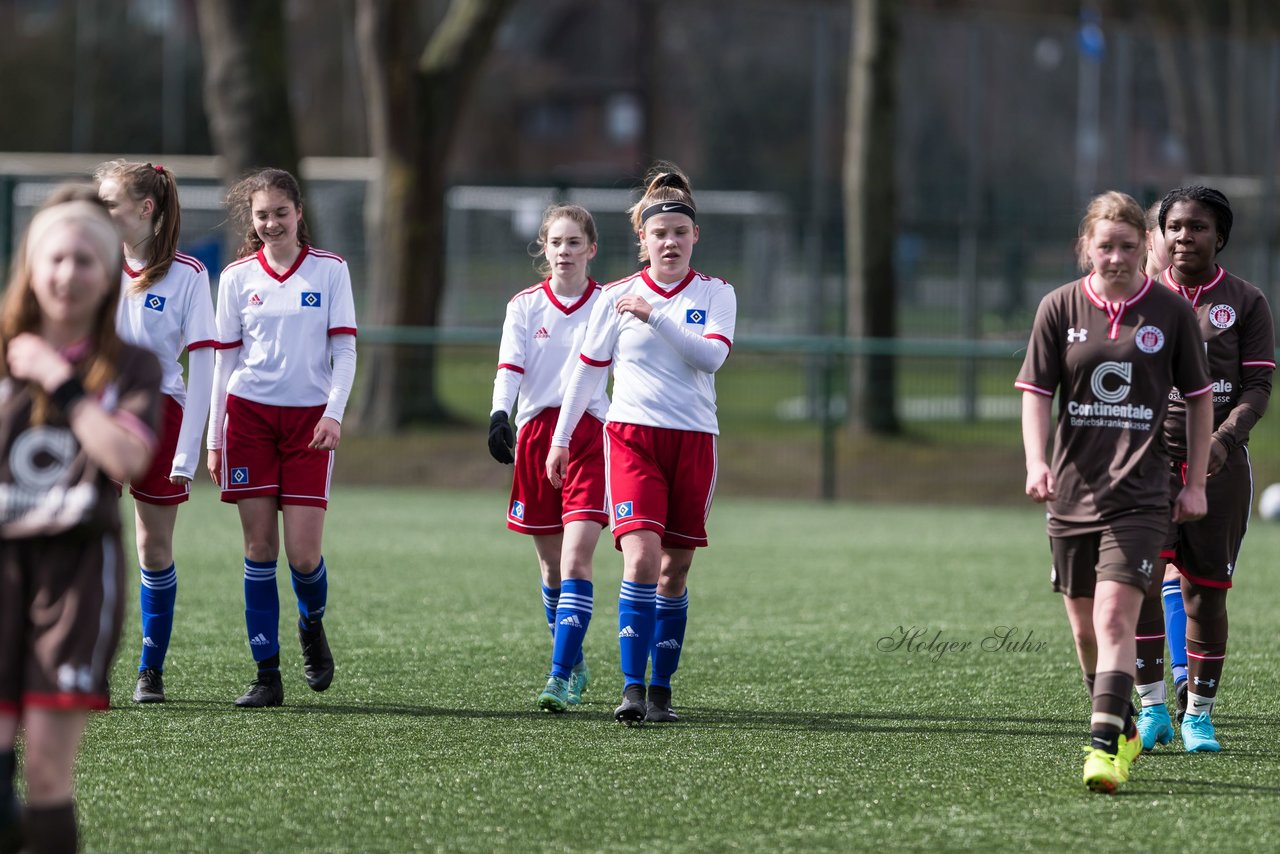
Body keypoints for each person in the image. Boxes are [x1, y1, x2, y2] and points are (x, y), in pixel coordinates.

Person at [1016, 190, 1213, 793]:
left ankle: (1103, 748)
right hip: (1072, 494)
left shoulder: (1171, 314)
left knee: (1113, 617)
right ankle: (1122, 721)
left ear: (1144, 247)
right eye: (1106, 245)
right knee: (1082, 631)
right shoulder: (1058, 306)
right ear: (1087, 248)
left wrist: (1196, 482)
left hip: (1143, 495)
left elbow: (1201, 399)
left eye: (1130, 245)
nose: (1118, 256)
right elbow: (1036, 392)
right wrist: (1036, 462)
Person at [0, 187, 161, 852]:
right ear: (33, 268)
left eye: (86, 261)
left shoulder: (131, 364)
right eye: (57, 258)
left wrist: (59, 382)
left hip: (75, 571)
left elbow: (127, 457)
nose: (69, 274)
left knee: (44, 771)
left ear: (108, 275)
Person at [546, 163, 737, 724]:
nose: (670, 241)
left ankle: (661, 691)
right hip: (630, 439)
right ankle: (631, 690)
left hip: (695, 441)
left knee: (674, 571)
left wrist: (655, 317)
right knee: (641, 561)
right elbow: (585, 373)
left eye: (680, 231)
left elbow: (712, 356)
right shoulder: (615, 295)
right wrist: (561, 440)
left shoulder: (716, 293)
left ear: (694, 235)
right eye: (660, 233)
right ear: (642, 240)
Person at [206, 169, 357, 708]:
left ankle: (311, 624)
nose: (271, 223)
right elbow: (224, 363)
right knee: (258, 549)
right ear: (252, 219)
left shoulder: (330, 271)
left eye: (280, 212)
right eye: (262, 215)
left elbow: (345, 353)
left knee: (303, 555)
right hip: (247, 419)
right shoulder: (235, 277)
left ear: (299, 212)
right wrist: (213, 439)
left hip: (309, 424)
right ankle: (266, 674)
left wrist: (334, 415)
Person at [1130, 186, 1274, 753]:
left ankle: (1199, 717)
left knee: (1205, 596)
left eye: (1198, 227)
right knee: (1140, 585)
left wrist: (1223, 437)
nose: (1185, 236)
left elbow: (1259, 385)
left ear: (1220, 237)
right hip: (1144, 471)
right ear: (1161, 236)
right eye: (1176, 227)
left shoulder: (1245, 300)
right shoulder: (1139, 298)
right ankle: (1153, 710)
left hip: (1219, 471)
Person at [94, 160, 216, 705]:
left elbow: (204, 368)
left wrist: (188, 450)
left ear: (145, 209)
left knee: (152, 546)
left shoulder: (188, 274)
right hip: (93, 418)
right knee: (85, 544)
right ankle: (85, 667)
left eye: (110, 202)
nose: (100, 212)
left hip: (159, 418)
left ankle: (150, 669)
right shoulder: (89, 262)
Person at [489, 204, 609, 713]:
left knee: (576, 556)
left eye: (574, 243)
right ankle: (575, 659)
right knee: (550, 566)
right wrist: (499, 414)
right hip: (537, 436)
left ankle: (558, 675)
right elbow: (510, 368)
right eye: (556, 243)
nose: (565, 252)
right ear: (544, 248)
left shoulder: (608, 303)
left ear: (591, 249)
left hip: (592, 436)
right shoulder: (524, 306)